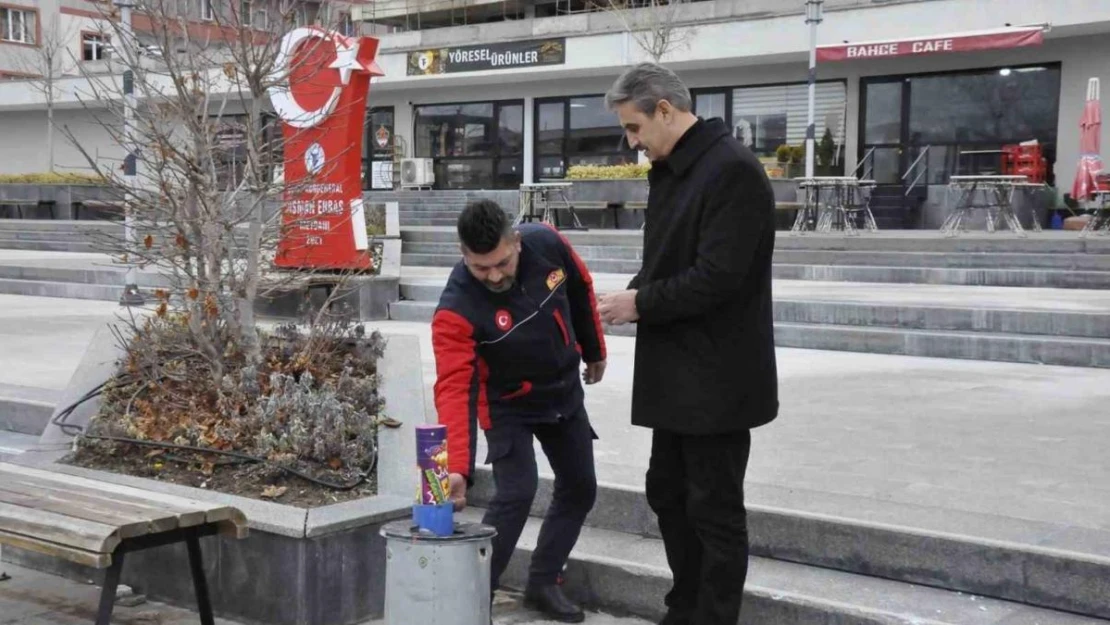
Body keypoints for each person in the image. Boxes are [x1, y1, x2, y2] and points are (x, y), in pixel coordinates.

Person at [597, 62, 779, 625]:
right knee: (667, 494)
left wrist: (640, 304)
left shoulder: (732, 171)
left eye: (634, 128)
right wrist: (626, 295)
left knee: (714, 510)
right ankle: (686, 606)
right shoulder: (677, 170)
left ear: (666, 111)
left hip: (719, 380)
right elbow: (669, 262)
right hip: (677, 375)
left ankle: (713, 615)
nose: (632, 144)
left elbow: (718, 278)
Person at [431, 199, 607, 624]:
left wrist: (594, 349)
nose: (493, 276)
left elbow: (581, 289)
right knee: (516, 491)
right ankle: (475, 596)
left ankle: (543, 582)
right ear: (463, 254)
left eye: (502, 263)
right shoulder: (455, 308)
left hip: (562, 389)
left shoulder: (547, 244)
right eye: (480, 268)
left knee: (581, 486)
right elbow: (453, 386)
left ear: (517, 242)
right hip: (506, 403)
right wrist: (456, 467)